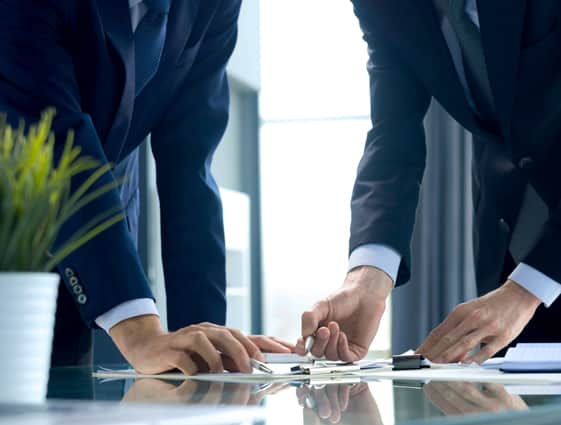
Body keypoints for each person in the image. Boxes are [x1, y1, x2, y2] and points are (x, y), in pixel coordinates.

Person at [0, 0, 293, 375]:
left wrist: (207, 344)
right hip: (17, 244)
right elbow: (56, 142)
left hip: (82, 268)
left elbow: (190, 165)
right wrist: (139, 330)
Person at [297, 0, 561, 364]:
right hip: (507, 254)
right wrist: (368, 275)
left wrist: (527, 288)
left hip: (531, 278)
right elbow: (393, 135)